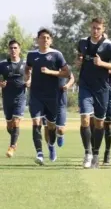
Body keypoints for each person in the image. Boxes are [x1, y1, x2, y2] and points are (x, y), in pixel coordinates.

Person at [76, 17, 111, 169]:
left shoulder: (109, 47)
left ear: (103, 30)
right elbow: (79, 54)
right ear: (90, 27)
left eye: (98, 28)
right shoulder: (82, 42)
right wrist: (78, 60)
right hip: (85, 86)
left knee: (100, 122)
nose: (95, 31)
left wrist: (102, 64)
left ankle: (96, 154)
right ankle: (87, 153)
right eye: (93, 28)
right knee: (85, 119)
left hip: (102, 88)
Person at [25, 28, 70, 165]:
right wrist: (28, 79)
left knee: (51, 126)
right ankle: (39, 154)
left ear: (51, 40)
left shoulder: (57, 55)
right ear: (37, 40)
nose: (44, 40)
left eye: (47, 38)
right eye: (42, 37)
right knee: (36, 122)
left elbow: (66, 73)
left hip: (52, 96)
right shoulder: (31, 55)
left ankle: (51, 146)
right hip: (36, 95)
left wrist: (51, 72)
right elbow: (27, 69)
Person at [0, 40, 28, 157]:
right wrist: (1, 84)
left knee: (16, 121)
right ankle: (14, 139)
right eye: (11, 48)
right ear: (8, 50)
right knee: (10, 125)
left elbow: (31, 77)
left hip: (20, 97)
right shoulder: (2, 65)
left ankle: (12, 147)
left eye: (15, 48)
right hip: (7, 98)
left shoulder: (25, 64)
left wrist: (29, 82)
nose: (13, 50)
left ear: (19, 50)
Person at [43, 69, 74, 153]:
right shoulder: (45, 66)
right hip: (46, 101)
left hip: (60, 102)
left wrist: (67, 85)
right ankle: (51, 148)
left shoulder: (64, 66)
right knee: (47, 128)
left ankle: (60, 135)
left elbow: (72, 78)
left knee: (60, 129)